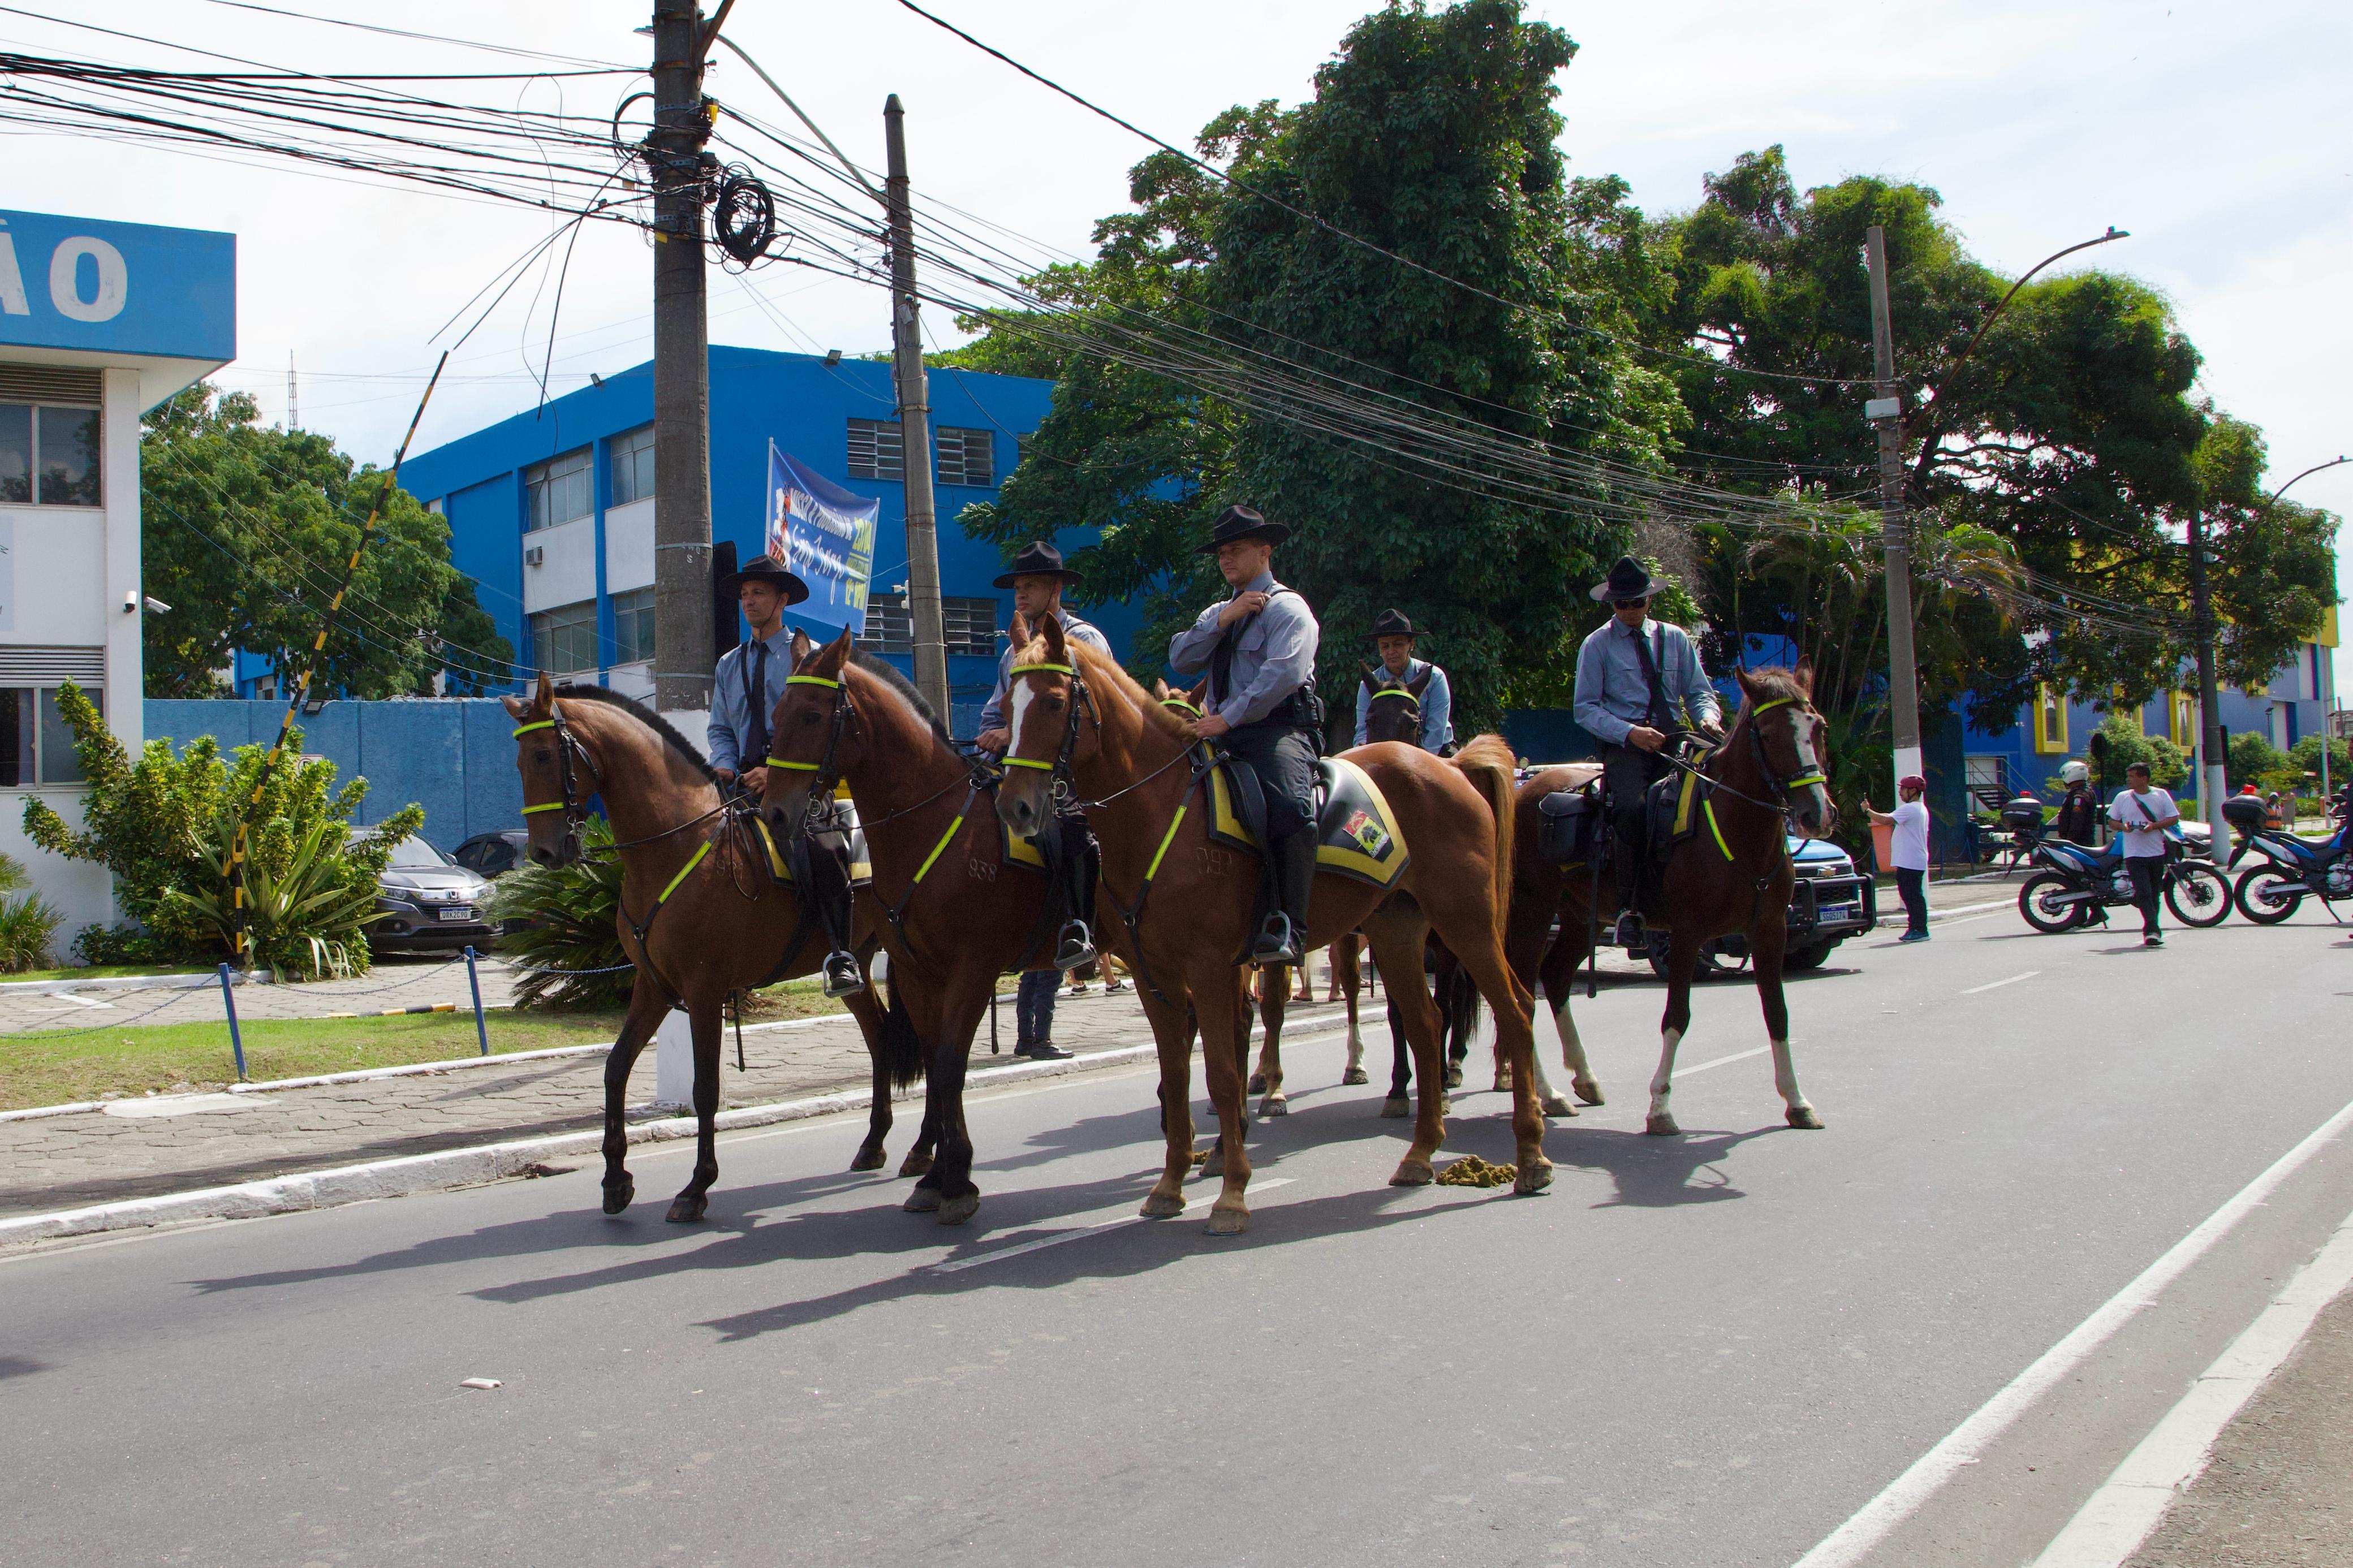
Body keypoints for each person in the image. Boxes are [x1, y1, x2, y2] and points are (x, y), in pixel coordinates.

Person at [975, 541, 1112, 1060]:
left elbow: (1089, 711)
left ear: (1057, 589)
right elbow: (998, 710)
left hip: (1068, 772)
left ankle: (1078, 924)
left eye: (1030, 584)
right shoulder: (1013, 650)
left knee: (1072, 836)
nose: (1021, 592)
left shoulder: (1083, 640)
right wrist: (995, 731)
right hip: (1021, 768)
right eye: (1017, 585)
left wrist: (1013, 731)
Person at [1169, 504, 1322, 966]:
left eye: (1236, 550)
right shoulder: (1222, 610)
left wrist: (1227, 717)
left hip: (1277, 730)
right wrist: (1224, 619)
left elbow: (1283, 674)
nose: (1227, 559)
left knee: (1291, 808)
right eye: (1221, 553)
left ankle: (1289, 925)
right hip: (1224, 733)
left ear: (1265, 551)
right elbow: (1181, 657)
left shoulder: (1289, 609)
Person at [708, 555, 864, 997]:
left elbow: (816, 727)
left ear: (782, 600)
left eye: (758, 592)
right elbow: (721, 726)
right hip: (737, 782)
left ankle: (840, 954)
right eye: (743, 594)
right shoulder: (727, 664)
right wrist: (723, 760)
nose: (748, 601)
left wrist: (774, 770)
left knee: (822, 847)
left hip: (797, 782)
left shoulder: (811, 658)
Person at [1571, 556, 1723, 947]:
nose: (1630, 611)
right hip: (1627, 747)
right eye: (1621, 604)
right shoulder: (1597, 645)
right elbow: (1585, 708)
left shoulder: (1675, 638)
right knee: (1635, 809)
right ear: (1612, 604)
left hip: (1676, 739)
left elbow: (1700, 691)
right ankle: (1629, 906)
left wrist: (1708, 718)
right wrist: (1631, 733)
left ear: (1648, 600)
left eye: (1636, 602)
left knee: (1717, 795)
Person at [1353, 608, 1454, 752]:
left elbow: (1436, 731)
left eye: (1398, 644)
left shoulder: (1434, 677)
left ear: (1411, 645)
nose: (1391, 651)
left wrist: (1420, 764)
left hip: (1435, 753)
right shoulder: (1367, 686)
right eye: (1385, 646)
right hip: (1383, 755)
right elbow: (1362, 730)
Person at [2110, 761, 2179, 948]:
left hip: (2156, 852)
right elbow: (2112, 821)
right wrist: (2123, 827)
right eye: (2129, 776)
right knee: (2144, 892)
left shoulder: (2160, 795)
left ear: (2144, 778)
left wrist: (2154, 827)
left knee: (2154, 893)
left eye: (2132, 777)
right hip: (2133, 854)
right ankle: (2152, 930)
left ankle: (2152, 928)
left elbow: (2174, 818)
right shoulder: (2122, 797)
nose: (2129, 780)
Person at [1864, 776, 1933, 942]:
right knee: (1911, 895)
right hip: (1912, 860)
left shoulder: (1911, 808)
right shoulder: (1918, 808)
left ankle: (1920, 929)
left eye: (1903, 789)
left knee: (1912, 896)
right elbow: (1891, 817)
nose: (1900, 792)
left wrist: (1867, 810)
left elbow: (1886, 820)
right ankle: (1915, 927)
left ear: (1914, 791)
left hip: (1911, 860)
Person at [2053, 760, 2099, 845]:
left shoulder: (2079, 796)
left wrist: (2069, 842)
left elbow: (2077, 822)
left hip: (2079, 844)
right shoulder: (2086, 792)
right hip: (2082, 843)